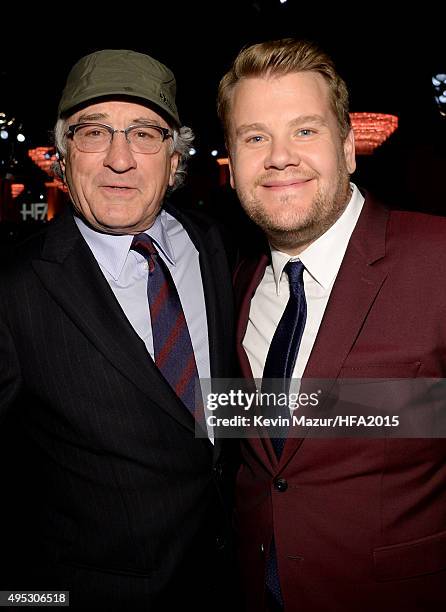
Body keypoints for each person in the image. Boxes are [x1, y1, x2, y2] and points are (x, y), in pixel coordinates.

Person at [0, 49, 238, 611]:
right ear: (62, 154)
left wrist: (411, 409)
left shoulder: (218, 246)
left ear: (175, 158)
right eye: (93, 132)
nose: (120, 159)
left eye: (144, 134)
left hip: (229, 580)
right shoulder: (15, 293)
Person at [217, 38, 446, 611]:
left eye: (304, 130)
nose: (279, 157)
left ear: (348, 148)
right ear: (231, 161)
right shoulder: (236, 283)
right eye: (254, 137)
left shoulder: (436, 257)